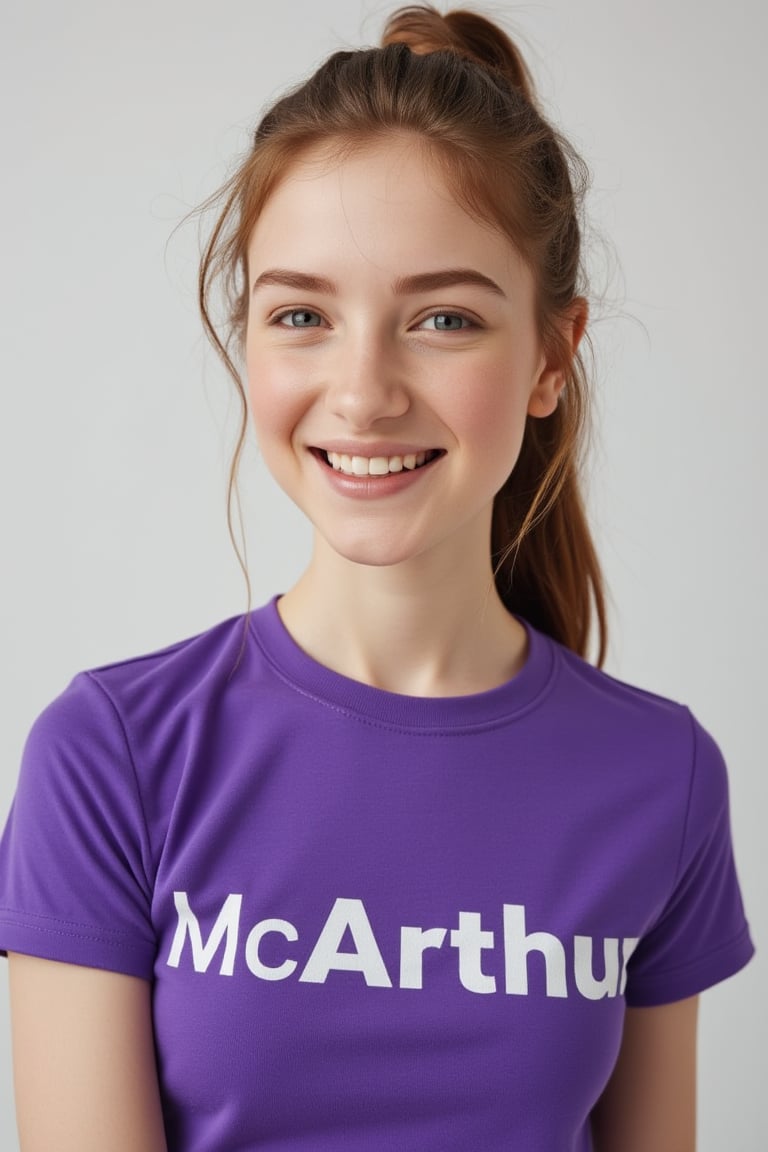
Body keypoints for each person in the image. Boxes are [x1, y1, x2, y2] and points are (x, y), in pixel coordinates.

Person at [0, 5, 754, 1150]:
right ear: (246, 339)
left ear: (553, 357)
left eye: (443, 318)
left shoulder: (663, 777)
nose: (362, 392)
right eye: (301, 313)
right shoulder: (112, 755)